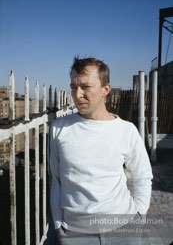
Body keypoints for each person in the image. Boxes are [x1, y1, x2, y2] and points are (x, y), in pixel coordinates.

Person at [48, 57, 153, 245]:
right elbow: (56, 180)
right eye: (73, 86)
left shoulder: (126, 131)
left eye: (86, 87)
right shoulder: (59, 128)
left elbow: (142, 177)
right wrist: (58, 225)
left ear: (106, 89)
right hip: (75, 234)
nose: (77, 94)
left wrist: (139, 217)